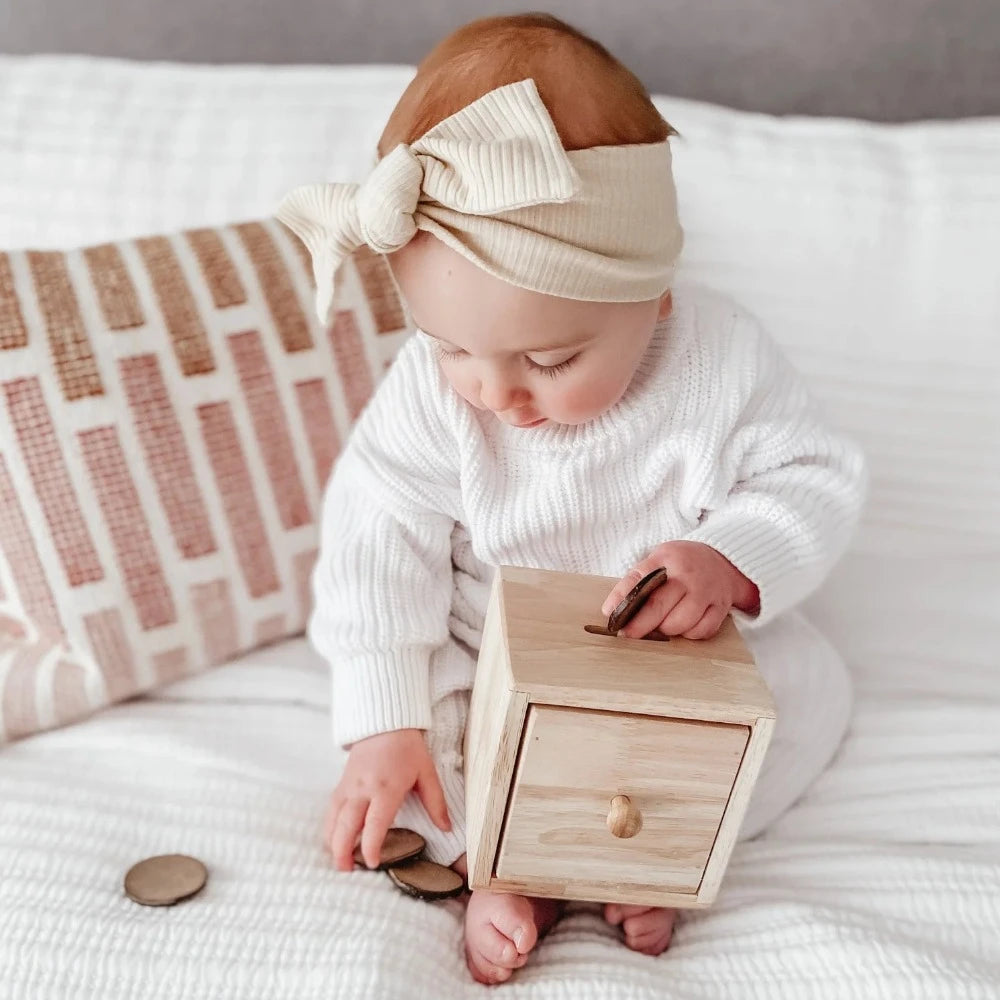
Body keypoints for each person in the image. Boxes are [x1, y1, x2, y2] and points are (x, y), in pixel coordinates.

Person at [278, 13, 866, 985]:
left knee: (806, 699)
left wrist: (730, 557)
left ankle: (657, 852)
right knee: (432, 737)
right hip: (498, 641)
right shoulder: (434, 395)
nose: (493, 392)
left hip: (673, 651)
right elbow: (378, 536)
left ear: (655, 297)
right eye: (453, 346)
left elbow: (812, 476)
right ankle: (517, 863)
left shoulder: (718, 362)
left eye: (549, 359)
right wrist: (385, 719)